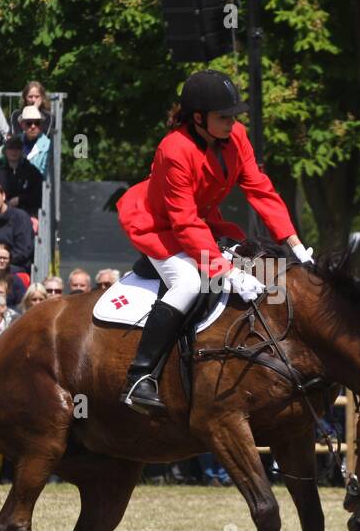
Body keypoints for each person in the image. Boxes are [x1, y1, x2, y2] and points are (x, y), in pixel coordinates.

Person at [112, 70, 308, 412]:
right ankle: (141, 377)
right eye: (224, 117)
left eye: (234, 116)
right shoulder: (174, 150)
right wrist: (227, 272)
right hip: (160, 227)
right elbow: (183, 222)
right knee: (189, 281)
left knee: (266, 264)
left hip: (202, 222)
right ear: (198, 118)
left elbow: (259, 189)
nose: (232, 123)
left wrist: (296, 246)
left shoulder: (237, 138)